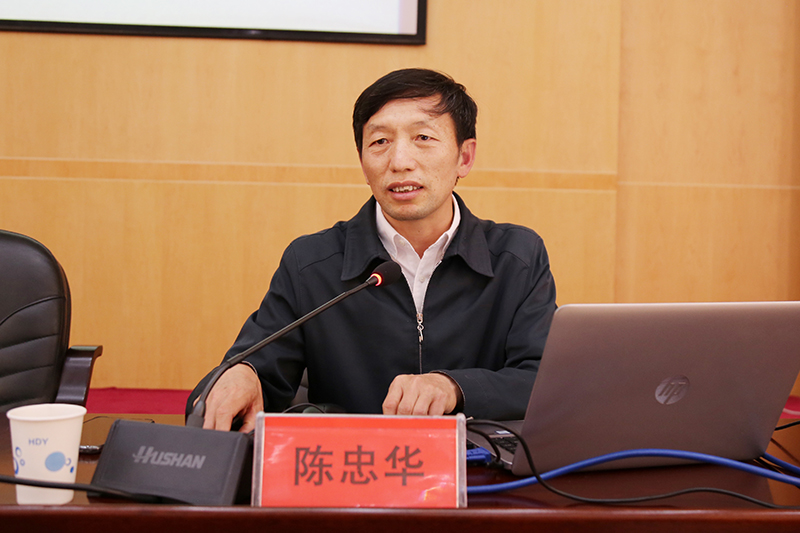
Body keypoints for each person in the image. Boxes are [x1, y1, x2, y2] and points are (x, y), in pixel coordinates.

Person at [187, 68, 557, 432]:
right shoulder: (312, 264)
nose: (399, 162)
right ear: (362, 162)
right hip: (349, 466)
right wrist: (243, 374)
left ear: (465, 157)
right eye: (380, 142)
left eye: (423, 138)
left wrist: (453, 387)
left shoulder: (517, 258)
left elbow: (544, 379)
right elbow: (253, 367)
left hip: (479, 467)